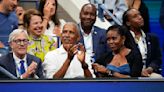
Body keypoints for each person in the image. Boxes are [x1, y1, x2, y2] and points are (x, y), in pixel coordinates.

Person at [123, 8, 162, 78]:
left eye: (139, 15)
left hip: (148, 73)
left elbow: (157, 59)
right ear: (128, 23)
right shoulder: (124, 40)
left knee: (158, 78)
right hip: (130, 74)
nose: (140, 17)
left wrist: (150, 69)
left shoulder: (153, 38)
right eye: (135, 16)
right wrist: (137, 71)